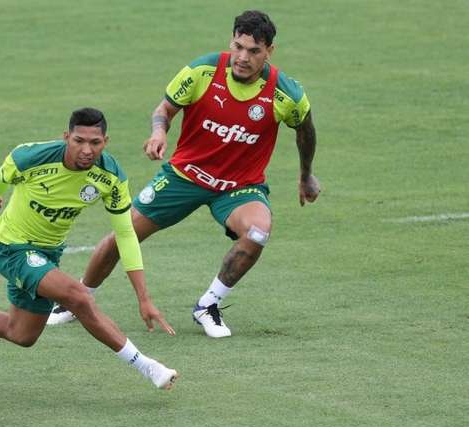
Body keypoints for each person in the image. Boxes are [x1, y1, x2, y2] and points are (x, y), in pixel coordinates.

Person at [47, 11, 321, 338]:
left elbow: (305, 130)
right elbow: (164, 110)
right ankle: (79, 298)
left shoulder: (285, 94)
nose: (243, 57)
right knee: (125, 234)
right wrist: (159, 133)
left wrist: (306, 175)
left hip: (238, 187)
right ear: (231, 42)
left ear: (269, 52)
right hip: (184, 176)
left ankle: (208, 305)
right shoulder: (203, 71)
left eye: (253, 51)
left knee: (259, 232)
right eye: (238, 47)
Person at [0, 107, 178, 389]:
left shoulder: (110, 176)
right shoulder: (29, 157)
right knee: (79, 297)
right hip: (12, 248)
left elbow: (125, 233)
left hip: (48, 254)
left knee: (21, 334)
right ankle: (149, 367)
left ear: (105, 142)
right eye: (79, 141)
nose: (87, 149)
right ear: (66, 137)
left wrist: (143, 297)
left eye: (95, 143)